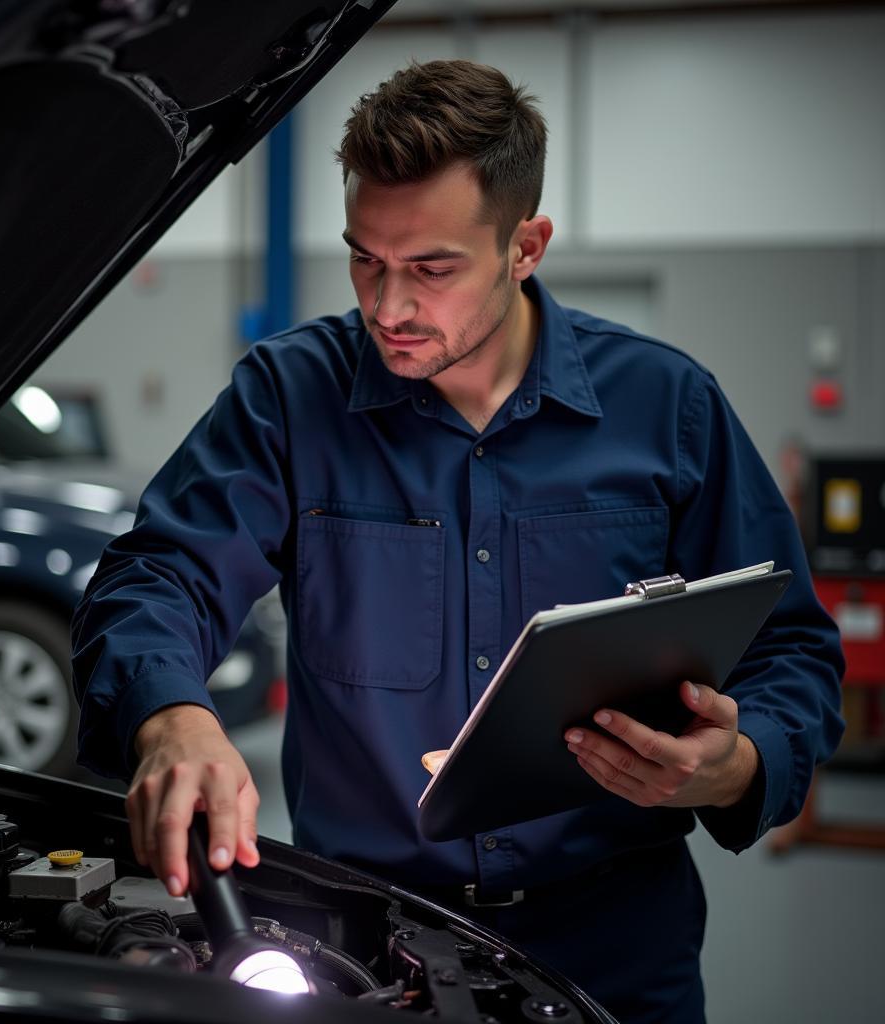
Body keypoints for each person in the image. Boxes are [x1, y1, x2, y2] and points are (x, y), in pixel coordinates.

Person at [72, 60, 843, 1023]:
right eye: (365, 259)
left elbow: (793, 649)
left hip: (615, 946)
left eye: (431, 268)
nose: (387, 308)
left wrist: (741, 765)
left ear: (527, 246)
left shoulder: (668, 406)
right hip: (356, 942)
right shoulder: (289, 398)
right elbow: (162, 572)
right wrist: (171, 715)